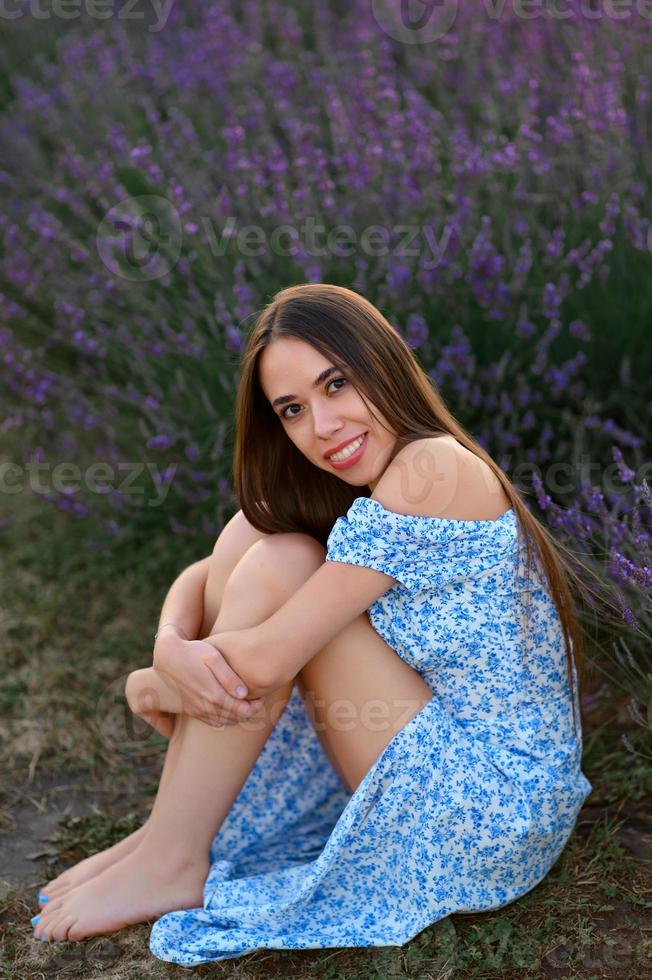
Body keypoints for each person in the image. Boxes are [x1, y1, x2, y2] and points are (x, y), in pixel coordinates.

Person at [32, 283, 592, 963]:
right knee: (255, 537)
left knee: (280, 568)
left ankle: (173, 856)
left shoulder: (431, 468)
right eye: (293, 409)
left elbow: (268, 660)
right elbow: (204, 572)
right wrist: (170, 644)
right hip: (442, 761)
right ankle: (166, 839)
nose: (322, 427)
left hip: (490, 812)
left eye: (337, 384)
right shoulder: (383, 477)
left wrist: (149, 686)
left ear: (385, 364)